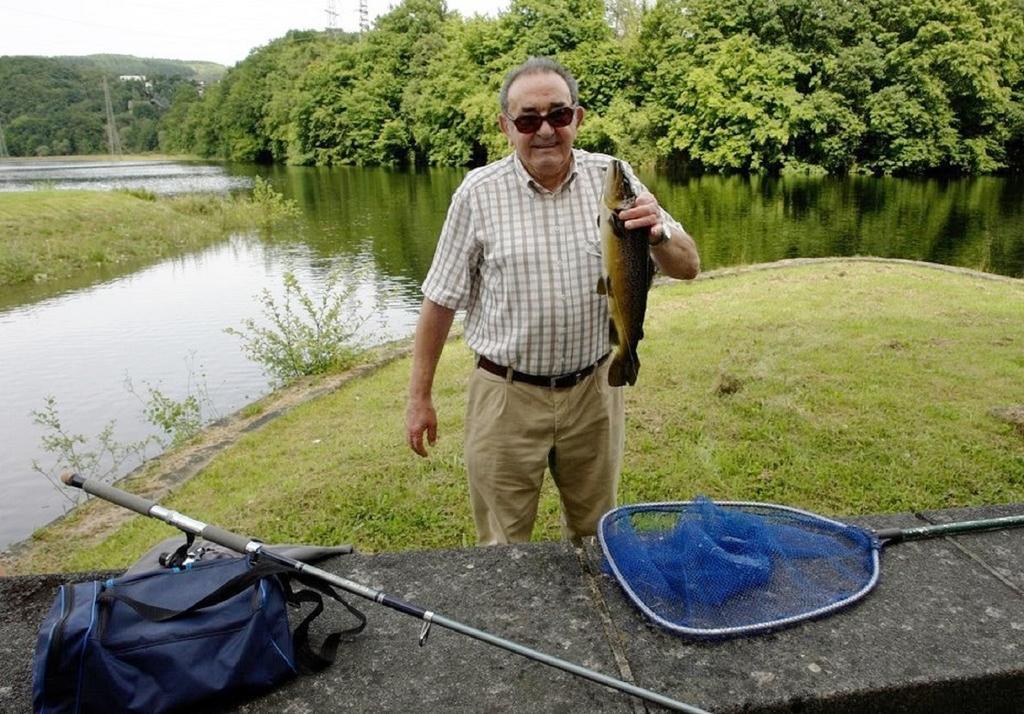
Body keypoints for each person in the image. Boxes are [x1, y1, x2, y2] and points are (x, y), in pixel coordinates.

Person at [405, 57, 700, 545]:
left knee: (596, 536)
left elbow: (687, 266)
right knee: (502, 545)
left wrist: (658, 230)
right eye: (527, 119)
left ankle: (593, 619)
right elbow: (439, 302)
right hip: (505, 397)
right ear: (506, 127)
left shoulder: (615, 178)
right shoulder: (477, 194)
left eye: (558, 115)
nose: (544, 130)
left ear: (577, 118)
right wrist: (419, 398)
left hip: (594, 391)